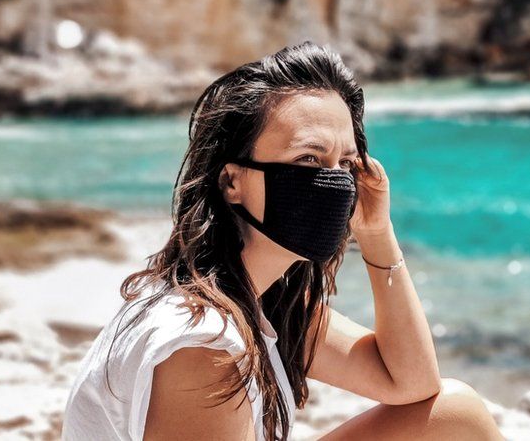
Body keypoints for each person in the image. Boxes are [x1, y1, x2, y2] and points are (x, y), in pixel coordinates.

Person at [61, 41, 504, 440]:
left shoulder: (258, 295)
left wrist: (377, 235)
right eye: (308, 158)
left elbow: (412, 382)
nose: (333, 181)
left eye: (345, 163)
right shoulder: (203, 344)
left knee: (454, 412)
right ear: (232, 181)